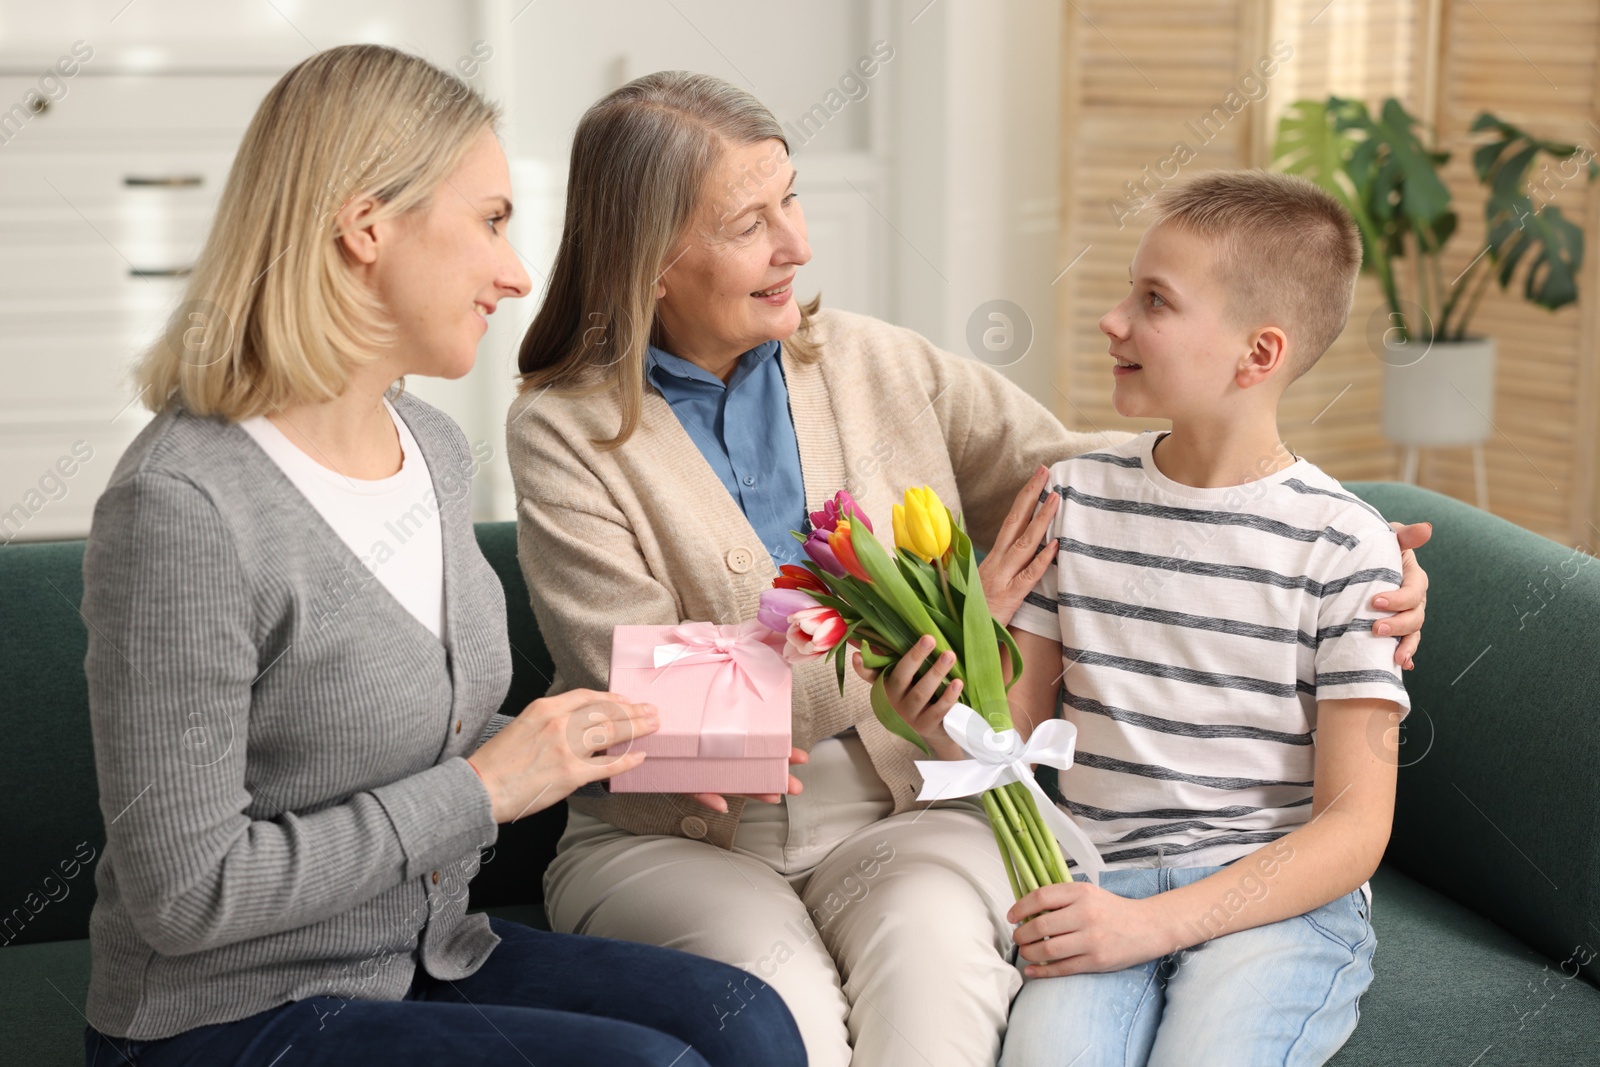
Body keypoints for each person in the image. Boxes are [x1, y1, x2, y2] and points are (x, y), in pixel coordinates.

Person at [507, 70, 1435, 1067]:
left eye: (791, 196)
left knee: (936, 1000)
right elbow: (661, 709)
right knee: (790, 1028)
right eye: (748, 223)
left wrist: (1331, 537)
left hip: (909, 810)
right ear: (648, 259)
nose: (798, 243)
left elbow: (1106, 475)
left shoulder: (875, 364)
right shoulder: (564, 431)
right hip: (683, 840)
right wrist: (920, 642)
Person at [79, 45, 804, 1067]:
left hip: (431, 951)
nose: (515, 273)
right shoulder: (183, 507)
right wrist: (485, 789)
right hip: (231, 1016)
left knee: (749, 1020)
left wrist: (631, 761)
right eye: (493, 220)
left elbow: (426, 736)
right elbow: (186, 893)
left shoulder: (431, 444)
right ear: (367, 224)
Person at [894, 169, 1405, 1067]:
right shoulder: (1071, 502)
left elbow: (1355, 828)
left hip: (1276, 907)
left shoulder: (1344, 546)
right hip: (1098, 886)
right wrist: (941, 716)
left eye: (1154, 300)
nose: (1112, 319)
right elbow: (1010, 740)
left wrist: (1151, 925)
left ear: (1258, 354)